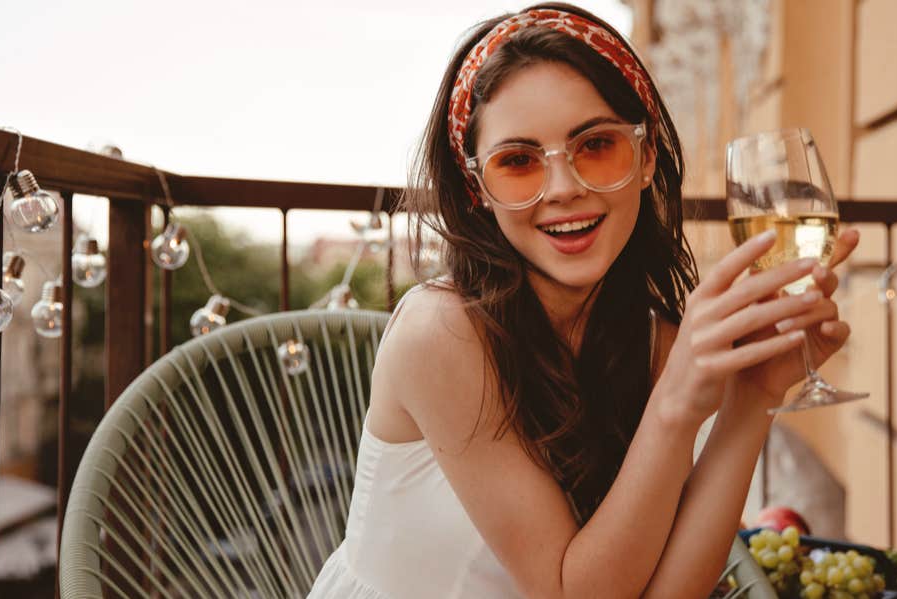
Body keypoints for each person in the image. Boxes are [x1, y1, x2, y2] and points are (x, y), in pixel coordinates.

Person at [308, 3, 860, 598]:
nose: (565, 188)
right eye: (517, 162)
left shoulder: (654, 342)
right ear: (477, 191)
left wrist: (753, 397)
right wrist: (676, 401)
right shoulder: (442, 333)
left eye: (596, 145)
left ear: (646, 158)